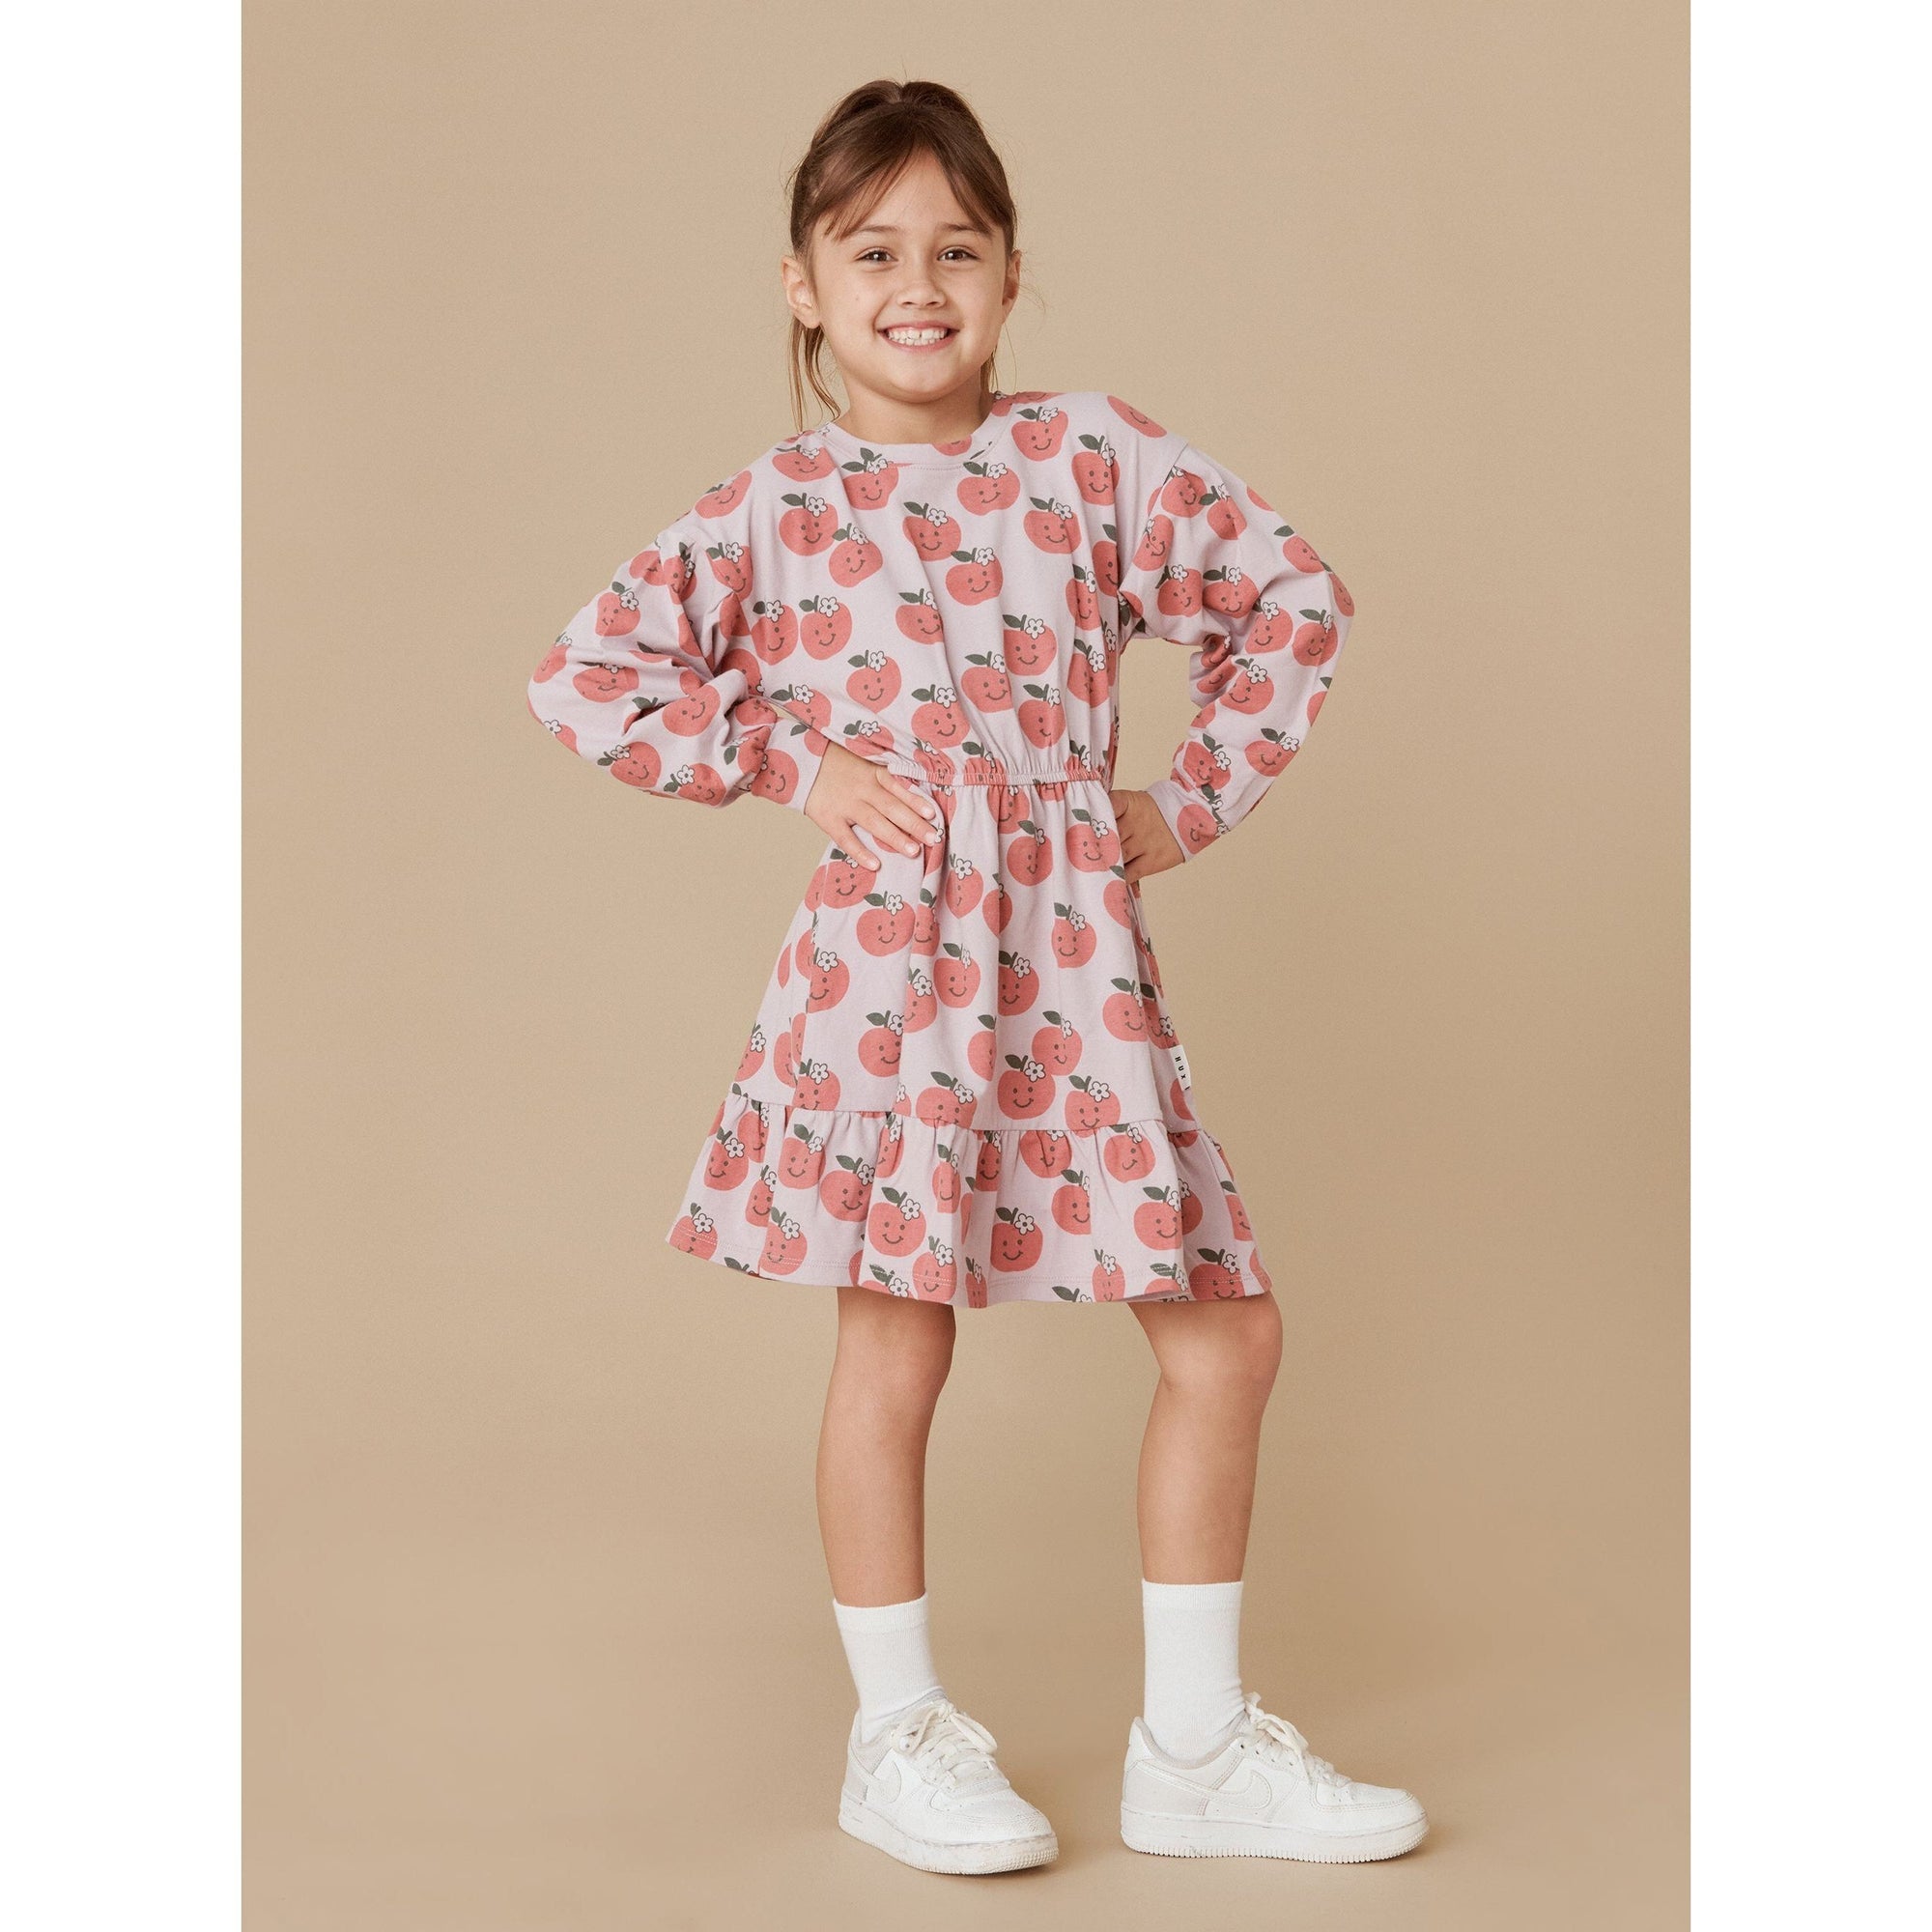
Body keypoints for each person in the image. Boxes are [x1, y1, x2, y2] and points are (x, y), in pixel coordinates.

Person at [526, 76, 1425, 1876]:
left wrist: (1190, 800)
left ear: (1012, 276)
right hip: (888, 976)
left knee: (1227, 1333)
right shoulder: (776, 506)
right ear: (804, 285)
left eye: (957, 248)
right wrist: (795, 766)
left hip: (1075, 964)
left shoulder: (1095, 458)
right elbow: (589, 676)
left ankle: (1194, 1753)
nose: (917, 284)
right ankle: (901, 1738)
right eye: (872, 252)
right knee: (895, 1341)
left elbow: (1292, 598)